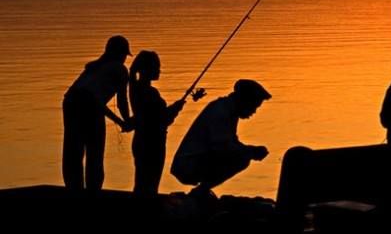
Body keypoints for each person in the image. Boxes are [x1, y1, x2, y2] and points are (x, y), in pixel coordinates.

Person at [170, 79, 271, 197]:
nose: (254, 111)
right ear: (245, 100)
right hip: (188, 165)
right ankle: (200, 192)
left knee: (243, 154)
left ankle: (202, 191)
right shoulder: (221, 112)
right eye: (254, 106)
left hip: (195, 160)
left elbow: (230, 143)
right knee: (241, 158)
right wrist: (250, 151)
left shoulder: (228, 110)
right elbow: (222, 147)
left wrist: (250, 150)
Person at [62, 35, 134, 192]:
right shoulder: (120, 70)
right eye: (124, 55)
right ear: (120, 53)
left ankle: (73, 190)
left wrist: (123, 121)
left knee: (73, 152)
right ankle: (93, 191)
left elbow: (89, 98)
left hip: (70, 103)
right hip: (85, 106)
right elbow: (119, 101)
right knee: (95, 153)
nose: (124, 59)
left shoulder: (94, 67)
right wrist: (125, 121)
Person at [128, 50, 186, 196]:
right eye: (157, 67)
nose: (159, 70)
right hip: (153, 143)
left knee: (141, 183)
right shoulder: (149, 92)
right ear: (148, 69)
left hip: (141, 140)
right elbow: (162, 120)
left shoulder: (135, 88)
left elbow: (155, 116)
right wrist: (177, 108)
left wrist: (175, 107)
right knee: (150, 184)